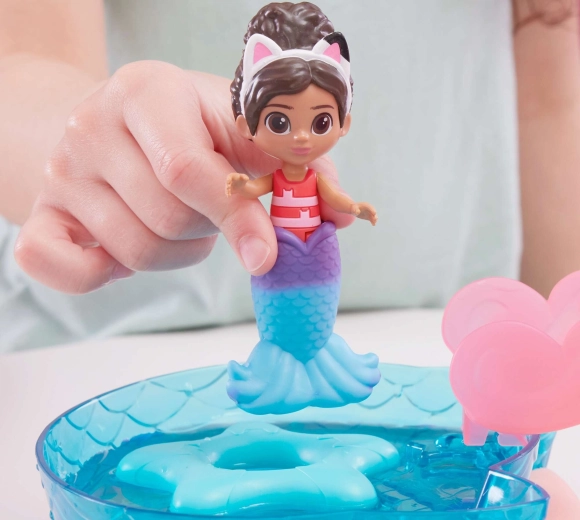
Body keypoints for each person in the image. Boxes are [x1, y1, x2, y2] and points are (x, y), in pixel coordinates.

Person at [1, 0, 579, 514]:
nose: (301, 138)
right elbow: (18, 67)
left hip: (416, 328)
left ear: (342, 122)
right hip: (89, 350)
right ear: (250, 121)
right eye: (280, 122)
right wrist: (107, 143)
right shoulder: (271, 175)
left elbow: (554, 88)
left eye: (320, 122)